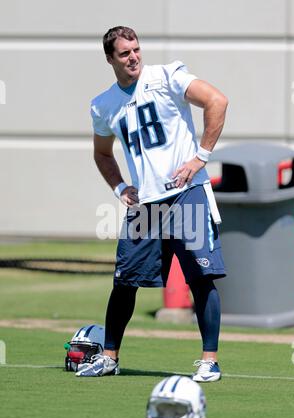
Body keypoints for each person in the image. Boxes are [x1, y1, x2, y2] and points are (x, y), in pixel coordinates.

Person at [76, 26, 228, 381]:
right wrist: (119, 188)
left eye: (136, 49)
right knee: (124, 280)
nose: (133, 57)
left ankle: (209, 360)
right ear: (110, 58)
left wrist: (200, 158)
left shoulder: (167, 76)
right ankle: (110, 357)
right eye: (125, 53)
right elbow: (101, 153)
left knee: (201, 278)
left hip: (186, 193)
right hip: (145, 205)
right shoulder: (103, 104)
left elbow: (217, 101)